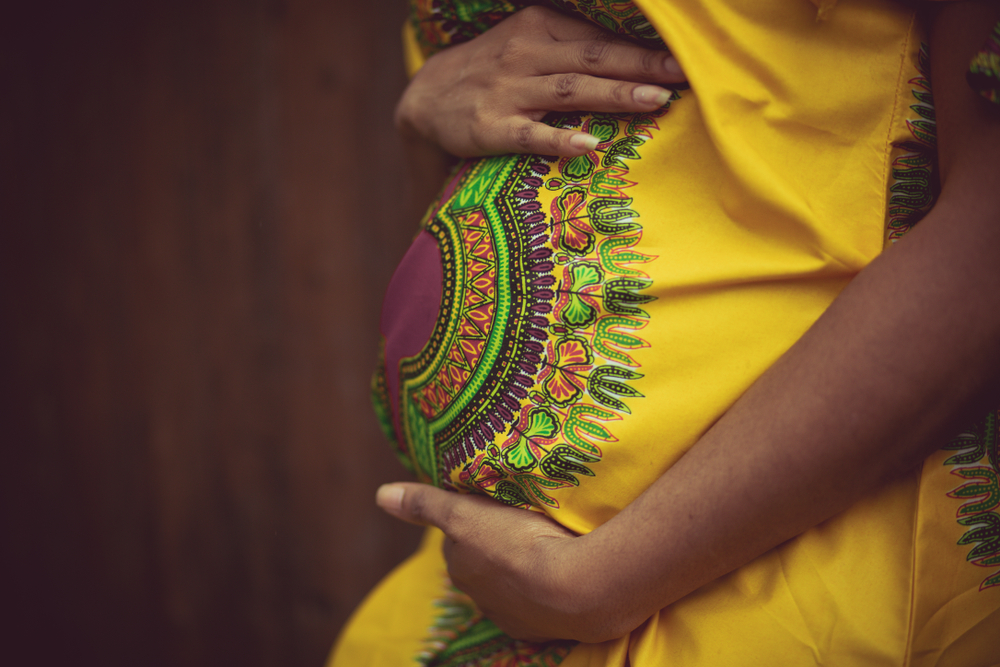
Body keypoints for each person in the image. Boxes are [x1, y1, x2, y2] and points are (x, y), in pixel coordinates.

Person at [331, 1, 1000, 665]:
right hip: (481, 587)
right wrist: (425, 114)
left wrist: (593, 582)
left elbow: (984, 250)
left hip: (777, 579)